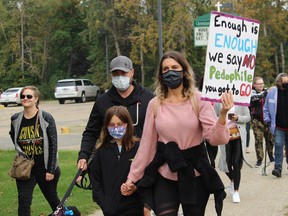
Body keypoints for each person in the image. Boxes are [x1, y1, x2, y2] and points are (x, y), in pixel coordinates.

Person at [121, 51, 234, 216]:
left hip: (194, 172)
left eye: (175, 67)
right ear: (161, 75)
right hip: (165, 173)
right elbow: (147, 145)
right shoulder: (155, 104)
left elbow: (216, 138)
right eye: (165, 69)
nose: (170, 72)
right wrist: (132, 177)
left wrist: (223, 115)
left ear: (184, 71)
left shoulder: (199, 100)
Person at [77, 55, 154, 215]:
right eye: (115, 74)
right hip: (112, 163)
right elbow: (91, 132)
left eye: (123, 73)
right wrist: (83, 155)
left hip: (140, 163)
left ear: (132, 72)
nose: (120, 77)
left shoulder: (148, 99)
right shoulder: (103, 101)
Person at [9, 86, 60, 215]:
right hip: (25, 167)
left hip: (44, 167)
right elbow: (13, 136)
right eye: (23, 96)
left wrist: (51, 170)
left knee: (54, 201)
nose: (25, 98)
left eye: (29, 96)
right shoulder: (16, 119)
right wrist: (22, 152)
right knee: (24, 201)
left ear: (36, 98)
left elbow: (53, 145)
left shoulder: (46, 118)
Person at [90, 106, 144, 215]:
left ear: (127, 124)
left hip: (134, 208)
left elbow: (147, 175)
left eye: (120, 124)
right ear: (106, 126)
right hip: (110, 210)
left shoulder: (139, 148)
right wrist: (105, 205)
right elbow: (96, 182)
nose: (116, 128)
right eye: (112, 125)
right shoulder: (101, 152)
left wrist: (135, 187)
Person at [215, 104, 251, 203]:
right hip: (225, 137)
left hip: (238, 137)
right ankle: (232, 180)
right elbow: (213, 117)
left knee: (236, 163)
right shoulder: (219, 103)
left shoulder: (240, 101)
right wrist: (221, 117)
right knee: (226, 163)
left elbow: (248, 117)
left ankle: (236, 191)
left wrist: (237, 117)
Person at [264, 72, 288, 178]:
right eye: (285, 82)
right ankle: (278, 168)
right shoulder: (272, 92)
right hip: (278, 125)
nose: (287, 83)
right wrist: (267, 119)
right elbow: (266, 108)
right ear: (279, 83)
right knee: (278, 146)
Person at [250, 77, 274, 167]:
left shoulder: (268, 91)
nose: (261, 85)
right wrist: (266, 92)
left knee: (270, 140)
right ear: (254, 85)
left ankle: (271, 157)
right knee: (258, 140)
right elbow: (256, 98)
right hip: (257, 120)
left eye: (262, 83)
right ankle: (259, 160)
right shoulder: (251, 93)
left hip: (268, 120)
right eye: (259, 84)